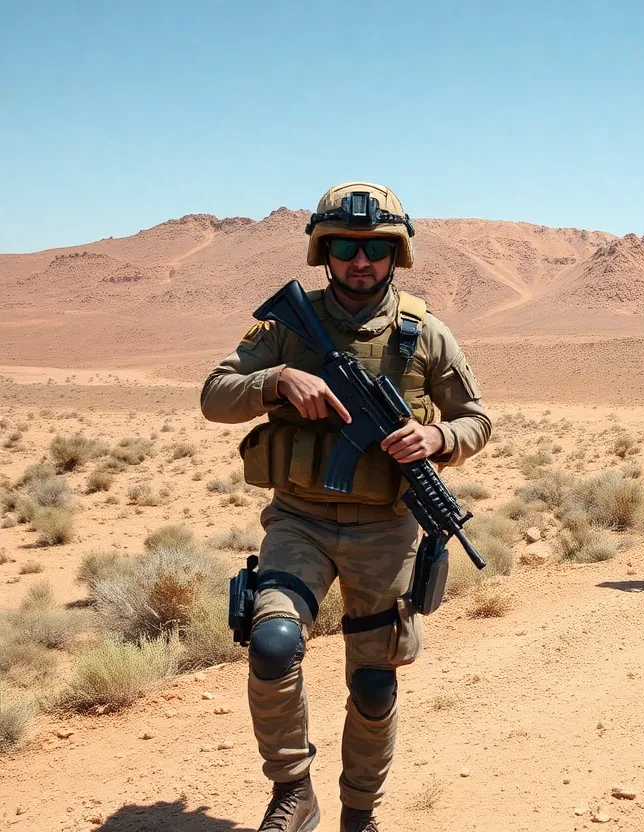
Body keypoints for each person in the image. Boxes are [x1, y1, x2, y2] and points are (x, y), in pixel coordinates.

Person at [201, 182, 492, 832]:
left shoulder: (425, 334)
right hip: (299, 519)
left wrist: (438, 438)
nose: (360, 261)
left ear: (396, 253)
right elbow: (215, 395)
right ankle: (293, 793)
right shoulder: (286, 324)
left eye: (375, 249)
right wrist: (277, 380)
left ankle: (359, 813)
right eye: (344, 248)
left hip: (386, 529)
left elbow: (477, 420)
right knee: (273, 643)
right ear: (323, 251)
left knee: (374, 684)